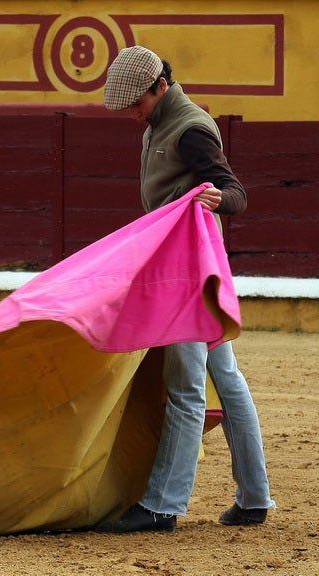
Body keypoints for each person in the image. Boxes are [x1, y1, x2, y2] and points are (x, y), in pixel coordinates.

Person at [95, 45, 275, 533]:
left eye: (137, 103)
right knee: (227, 379)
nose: (132, 113)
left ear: (160, 87)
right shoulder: (160, 125)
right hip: (186, 264)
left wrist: (221, 200)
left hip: (189, 270)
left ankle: (162, 505)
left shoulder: (191, 128)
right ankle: (255, 496)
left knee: (187, 385)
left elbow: (235, 190)